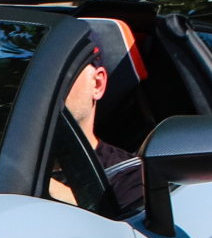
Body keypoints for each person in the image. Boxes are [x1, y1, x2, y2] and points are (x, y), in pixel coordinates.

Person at [47, 37, 144, 214]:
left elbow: (121, 235)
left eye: (61, 73)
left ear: (97, 84)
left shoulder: (130, 175)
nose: (44, 87)